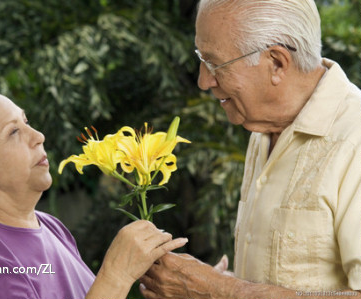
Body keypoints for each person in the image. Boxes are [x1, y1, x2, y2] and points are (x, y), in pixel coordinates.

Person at [139, 0, 361, 298]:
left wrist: (219, 290)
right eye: (201, 59)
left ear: (277, 63)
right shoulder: (264, 126)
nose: (204, 80)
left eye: (215, 63)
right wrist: (207, 286)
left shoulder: (354, 140)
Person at [0, 79, 188, 299]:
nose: (38, 137)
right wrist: (116, 276)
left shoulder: (49, 227)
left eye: (26, 122)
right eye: (13, 132)